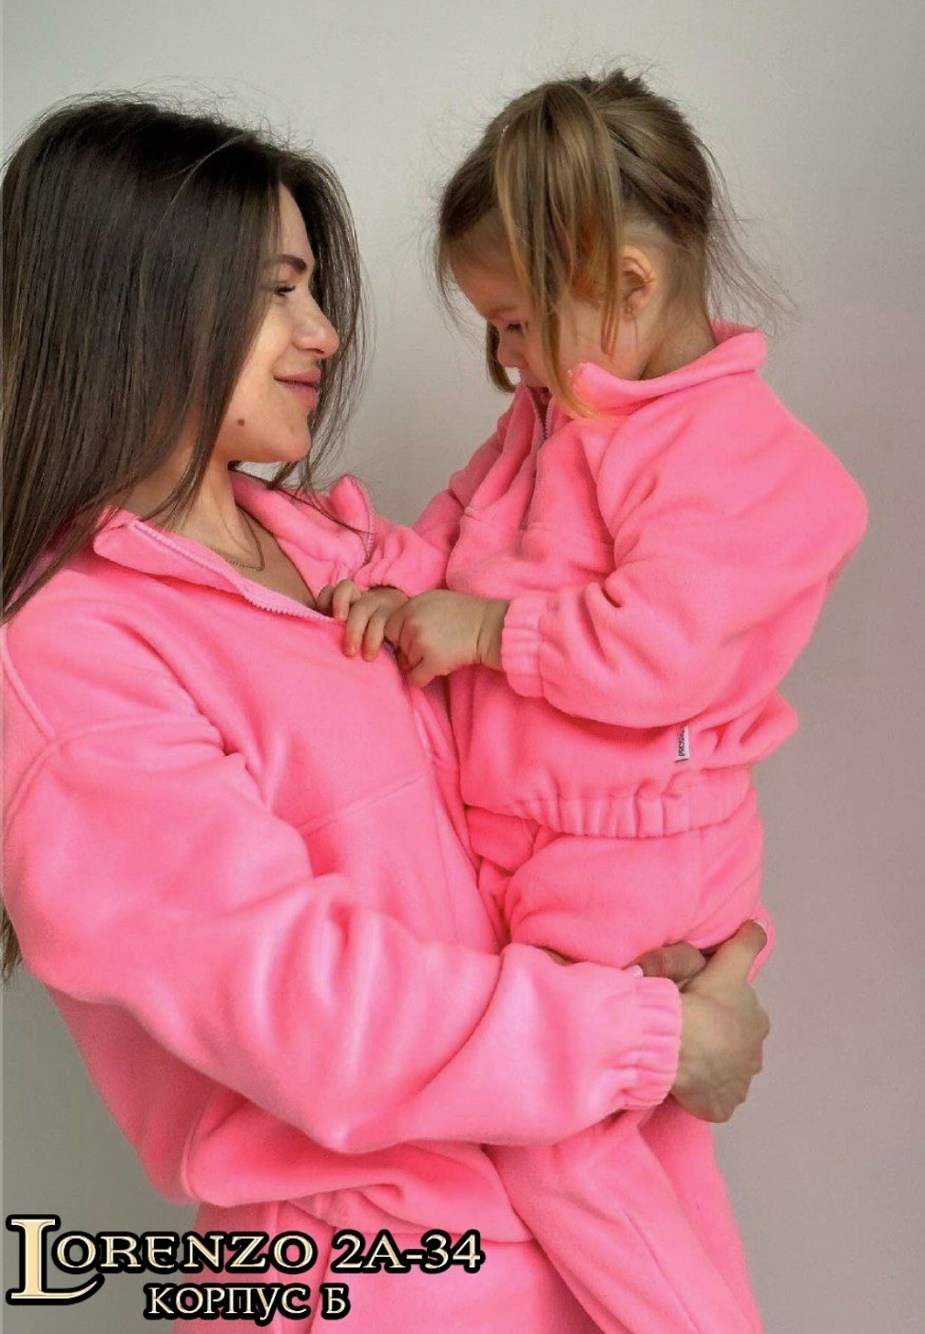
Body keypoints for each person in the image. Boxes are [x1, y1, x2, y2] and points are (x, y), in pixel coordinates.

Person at [0, 96, 771, 1334]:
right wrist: (652, 1036)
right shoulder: (72, 653)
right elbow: (311, 1007)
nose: (323, 329)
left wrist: (669, 942)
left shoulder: (347, 552)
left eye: (314, 288)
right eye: (277, 290)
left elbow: (548, 765)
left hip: (602, 1225)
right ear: (137, 301)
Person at [323, 71, 868, 1334]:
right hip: (548, 842)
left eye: (517, 322)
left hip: (631, 846)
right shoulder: (552, 415)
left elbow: (659, 647)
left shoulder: (724, 449)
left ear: (628, 281)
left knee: (556, 1135)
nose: (507, 359)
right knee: (644, 1150)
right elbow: (453, 537)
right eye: (495, 330)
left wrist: (487, 633)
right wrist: (372, 571)